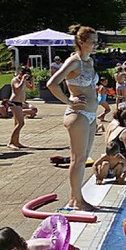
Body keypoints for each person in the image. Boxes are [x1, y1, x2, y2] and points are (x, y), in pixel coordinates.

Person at [47, 25, 100, 211]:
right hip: (78, 115)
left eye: (96, 41)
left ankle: (74, 198)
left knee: (83, 158)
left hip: (91, 114)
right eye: (92, 42)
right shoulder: (74, 61)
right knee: (77, 160)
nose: (95, 45)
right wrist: (69, 101)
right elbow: (52, 83)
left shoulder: (89, 62)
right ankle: (77, 200)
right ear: (81, 42)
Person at [7, 66, 34, 150]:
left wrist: (32, 80)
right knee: (21, 123)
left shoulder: (24, 81)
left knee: (17, 124)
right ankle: (11, 142)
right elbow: (17, 90)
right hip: (14, 102)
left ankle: (16, 142)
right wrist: (22, 80)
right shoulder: (15, 80)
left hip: (20, 103)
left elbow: (32, 88)